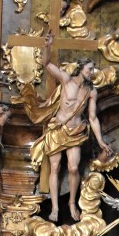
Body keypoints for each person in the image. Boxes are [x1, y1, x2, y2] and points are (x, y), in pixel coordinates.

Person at [29, 31, 109, 223]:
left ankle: (72, 202)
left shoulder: (91, 92)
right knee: (55, 167)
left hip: (76, 132)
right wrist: (47, 46)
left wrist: (100, 140)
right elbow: (47, 64)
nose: (92, 72)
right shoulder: (67, 81)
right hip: (58, 130)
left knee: (73, 168)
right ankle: (55, 207)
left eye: (93, 70)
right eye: (89, 69)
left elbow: (92, 118)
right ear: (81, 68)